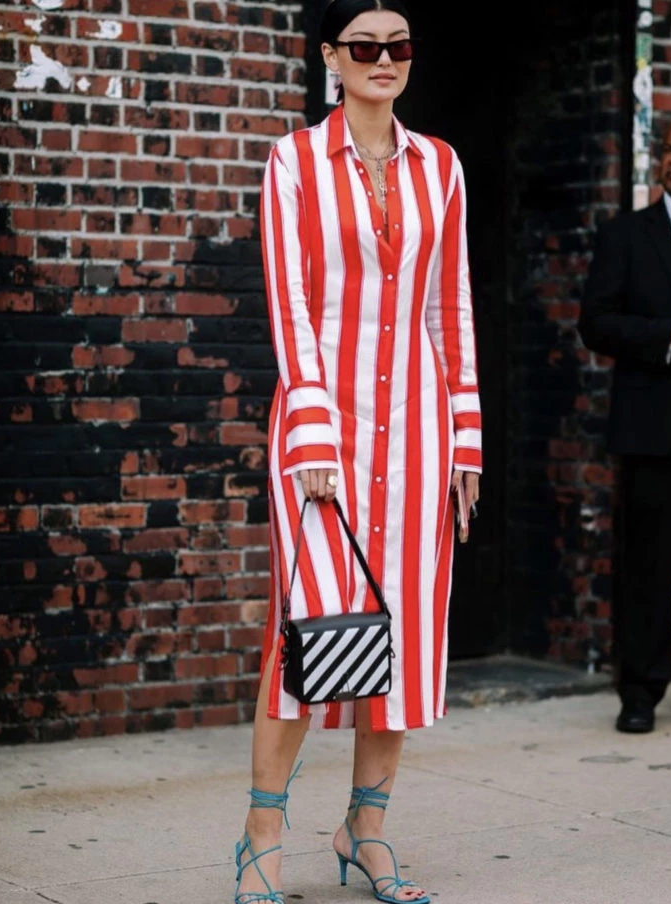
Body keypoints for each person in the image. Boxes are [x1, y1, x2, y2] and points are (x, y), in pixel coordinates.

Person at [233, 0, 483, 901]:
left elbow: (451, 307)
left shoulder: (442, 165)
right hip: (322, 427)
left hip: (418, 429)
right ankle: (263, 833)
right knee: (305, 624)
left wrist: (465, 442)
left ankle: (365, 830)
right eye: (365, 45)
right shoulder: (294, 160)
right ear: (331, 58)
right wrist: (310, 430)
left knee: (401, 628)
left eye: (399, 45)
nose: (385, 58)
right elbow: (290, 303)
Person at [578, 111, 671, 734]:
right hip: (660, 417)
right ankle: (639, 694)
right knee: (648, 563)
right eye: (668, 149)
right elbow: (596, 323)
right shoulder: (627, 236)